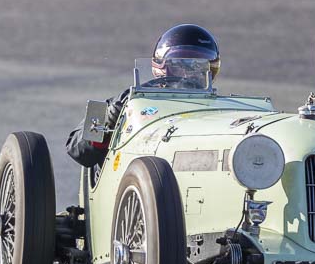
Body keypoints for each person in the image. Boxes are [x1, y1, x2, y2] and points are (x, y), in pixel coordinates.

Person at [66, 24, 220, 167]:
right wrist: (107, 122)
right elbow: (75, 148)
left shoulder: (218, 108)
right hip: (132, 169)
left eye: (197, 66)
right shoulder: (128, 99)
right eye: (180, 64)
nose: (187, 73)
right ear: (163, 66)